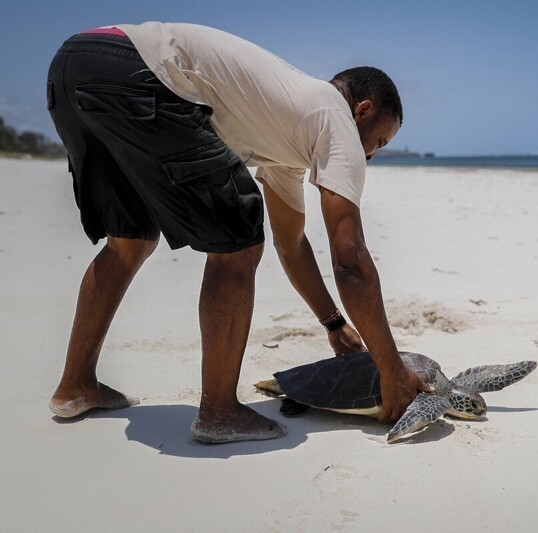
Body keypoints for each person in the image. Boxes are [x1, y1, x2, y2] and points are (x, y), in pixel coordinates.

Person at [46, 22, 430, 443]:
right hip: (141, 72)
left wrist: (333, 323)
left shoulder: (289, 133)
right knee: (239, 240)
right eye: (379, 141)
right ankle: (219, 412)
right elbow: (350, 260)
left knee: (129, 239)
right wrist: (391, 370)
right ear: (362, 109)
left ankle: (76, 385)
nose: (370, 155)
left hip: (76, 66)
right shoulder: (334, 118)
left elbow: (292, 245)